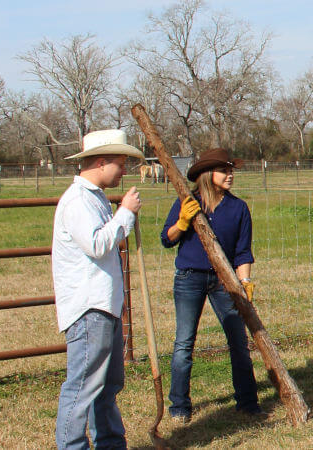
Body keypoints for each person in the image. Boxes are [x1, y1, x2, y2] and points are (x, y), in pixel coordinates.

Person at [52, 128, 144, 449]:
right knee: (82, 386)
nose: (123, 171)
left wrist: (122, 214)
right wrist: (126, 213)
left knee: (107, 384)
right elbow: (96, 244)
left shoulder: (95, 198)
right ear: (102, 162)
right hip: (89, 308)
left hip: (105, 306)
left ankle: (110, 443)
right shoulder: (78, 201)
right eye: (120, 163)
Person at [160, 147, 261, 422]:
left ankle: (248, 402)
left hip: (224, 280)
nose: (230, 175)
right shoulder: (188, 201)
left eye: (231, 171)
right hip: (189, 278)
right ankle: (179, 406)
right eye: (224, 171)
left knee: (238, 341)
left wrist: (245, 281)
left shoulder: (238, 208)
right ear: (208, 174)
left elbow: (242, 251)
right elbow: (167, 239)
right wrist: (182, 222)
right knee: (184, 343)